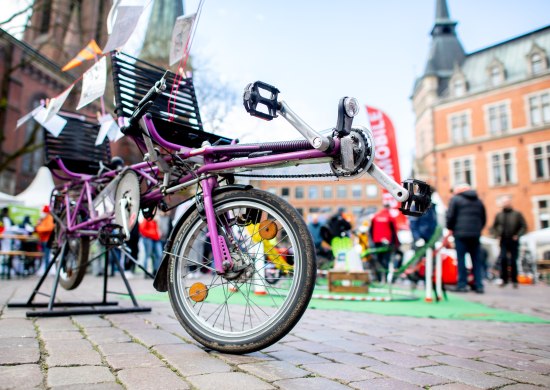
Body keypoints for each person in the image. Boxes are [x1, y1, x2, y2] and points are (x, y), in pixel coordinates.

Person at [446, 183, 486, 293]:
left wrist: (450, 228)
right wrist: (477, 229)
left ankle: (462, 284)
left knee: (461, 260)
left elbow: (450, 216)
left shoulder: (456, 199)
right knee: (476, 260)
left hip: (460, 234)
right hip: (475, 235)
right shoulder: (478, 201)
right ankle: (479, 285)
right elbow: (483, 218)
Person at [491, 196, 527, 288]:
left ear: (510, 203)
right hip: (503, 240)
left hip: (513, 240)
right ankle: (504, 279)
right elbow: (493, 227)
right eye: (504, 202)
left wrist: (517, 235)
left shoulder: (517, 214)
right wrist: (497, 235)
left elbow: (523, 226)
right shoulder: (499, 215)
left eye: (507, 202)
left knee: (513, 260)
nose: (505, 204)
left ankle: (515, 280)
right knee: (503, 259)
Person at [369, 202, 400, 281]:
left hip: (377, 242)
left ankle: (379, 278)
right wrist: (396, 243)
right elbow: (394, 232)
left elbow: (371, 230)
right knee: (386, 260)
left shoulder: (376, 216)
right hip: (387, 243)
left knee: (378, 260)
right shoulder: (390, 217)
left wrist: (372, 242)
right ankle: (385, 279)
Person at [35, 205, 54, 273]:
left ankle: (47, 270)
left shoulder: (49, 218)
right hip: (43, 239)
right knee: (45, 256)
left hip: (47, 240)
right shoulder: (44, 218)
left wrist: (39, 228)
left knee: (47, 256)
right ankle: (45, 269)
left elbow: (50, 228)